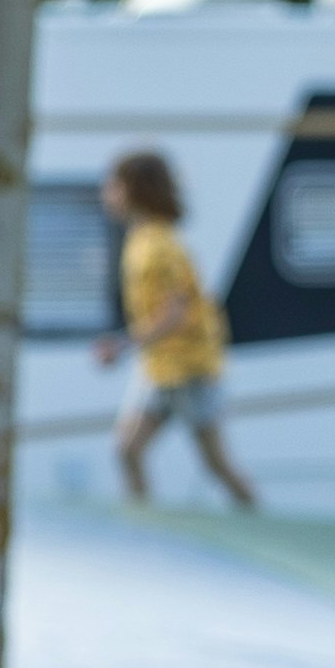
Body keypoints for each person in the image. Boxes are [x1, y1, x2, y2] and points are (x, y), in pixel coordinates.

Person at [92, 150, 256, 511]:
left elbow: (175, 313)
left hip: (189, 368)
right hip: (161, 368)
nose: (106, 193)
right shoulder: (140, 239)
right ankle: (142, 527)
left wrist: (122, 344)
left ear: (133, 190)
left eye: (113, 186)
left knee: (216, 463)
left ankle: (258, 514)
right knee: (127, 449)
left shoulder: (159, 246)